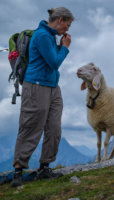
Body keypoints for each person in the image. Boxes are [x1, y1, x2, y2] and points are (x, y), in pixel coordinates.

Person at [11, 7, 74, 187]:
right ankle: (18, 170)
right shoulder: (42, 35)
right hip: (36, 86)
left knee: (54, 128)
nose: (67, 30)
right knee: (31, 126)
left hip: (53, 87)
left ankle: (44, 167)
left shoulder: (51, 36)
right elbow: (54, 62)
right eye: (67, 25)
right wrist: (65, 48)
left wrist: (61, 46)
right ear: (60, 20)